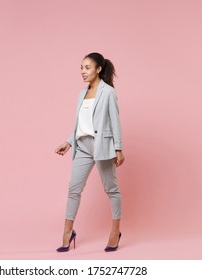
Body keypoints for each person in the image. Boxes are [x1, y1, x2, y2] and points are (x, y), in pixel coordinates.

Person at [54, 52, 125, 252]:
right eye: (81, 68)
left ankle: (115, 230)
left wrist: (118, 148)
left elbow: (115, 121)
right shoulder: (81, 93)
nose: (83, 72)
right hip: (83, 147)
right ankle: (68, 233)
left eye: (87, 67)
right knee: (73, 190)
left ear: (98, 69)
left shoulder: (108, 92)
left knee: (111, 189)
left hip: (102, 146)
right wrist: (68, 142)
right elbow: (80, 124)